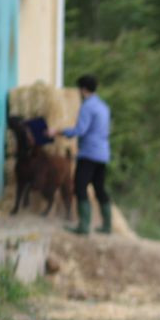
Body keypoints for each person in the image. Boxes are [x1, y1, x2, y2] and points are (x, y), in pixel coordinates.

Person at [49, 74, 111, 235]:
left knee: (80, 186)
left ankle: (83, 226)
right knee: (99, 187)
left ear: (83, 90)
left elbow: (80, 130)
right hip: (103, 152)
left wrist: (58, 131)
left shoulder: (87, 107)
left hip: (89, 152)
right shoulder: (103, 106)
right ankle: (107, 226)